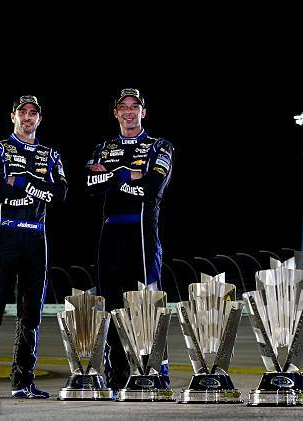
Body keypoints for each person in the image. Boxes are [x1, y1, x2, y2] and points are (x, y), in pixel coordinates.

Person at [0, 95, 68, 399]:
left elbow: (61, 194)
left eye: (33, 113)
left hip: (37, 238)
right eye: (22, 113)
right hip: (4, 236)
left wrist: (23, 180)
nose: (28, 118)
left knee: (32, 314)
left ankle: (23, 380)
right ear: (12, 116)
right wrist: (37, 186)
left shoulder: (50, 155)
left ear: (40, 118)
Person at [85, 88, 173, 391]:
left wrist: (112, 175)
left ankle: (155, 374)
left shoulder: (159, 146)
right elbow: (90, 184)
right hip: (109, 232)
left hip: (143, 231)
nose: (129, 111)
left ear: (143, 112)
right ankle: (118, 375)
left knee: (147, 303)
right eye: (123, 107)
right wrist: (130, 175)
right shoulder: (103, 146)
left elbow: (153, 185)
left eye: (135, 106)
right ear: (116, 112)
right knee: (110, 305)